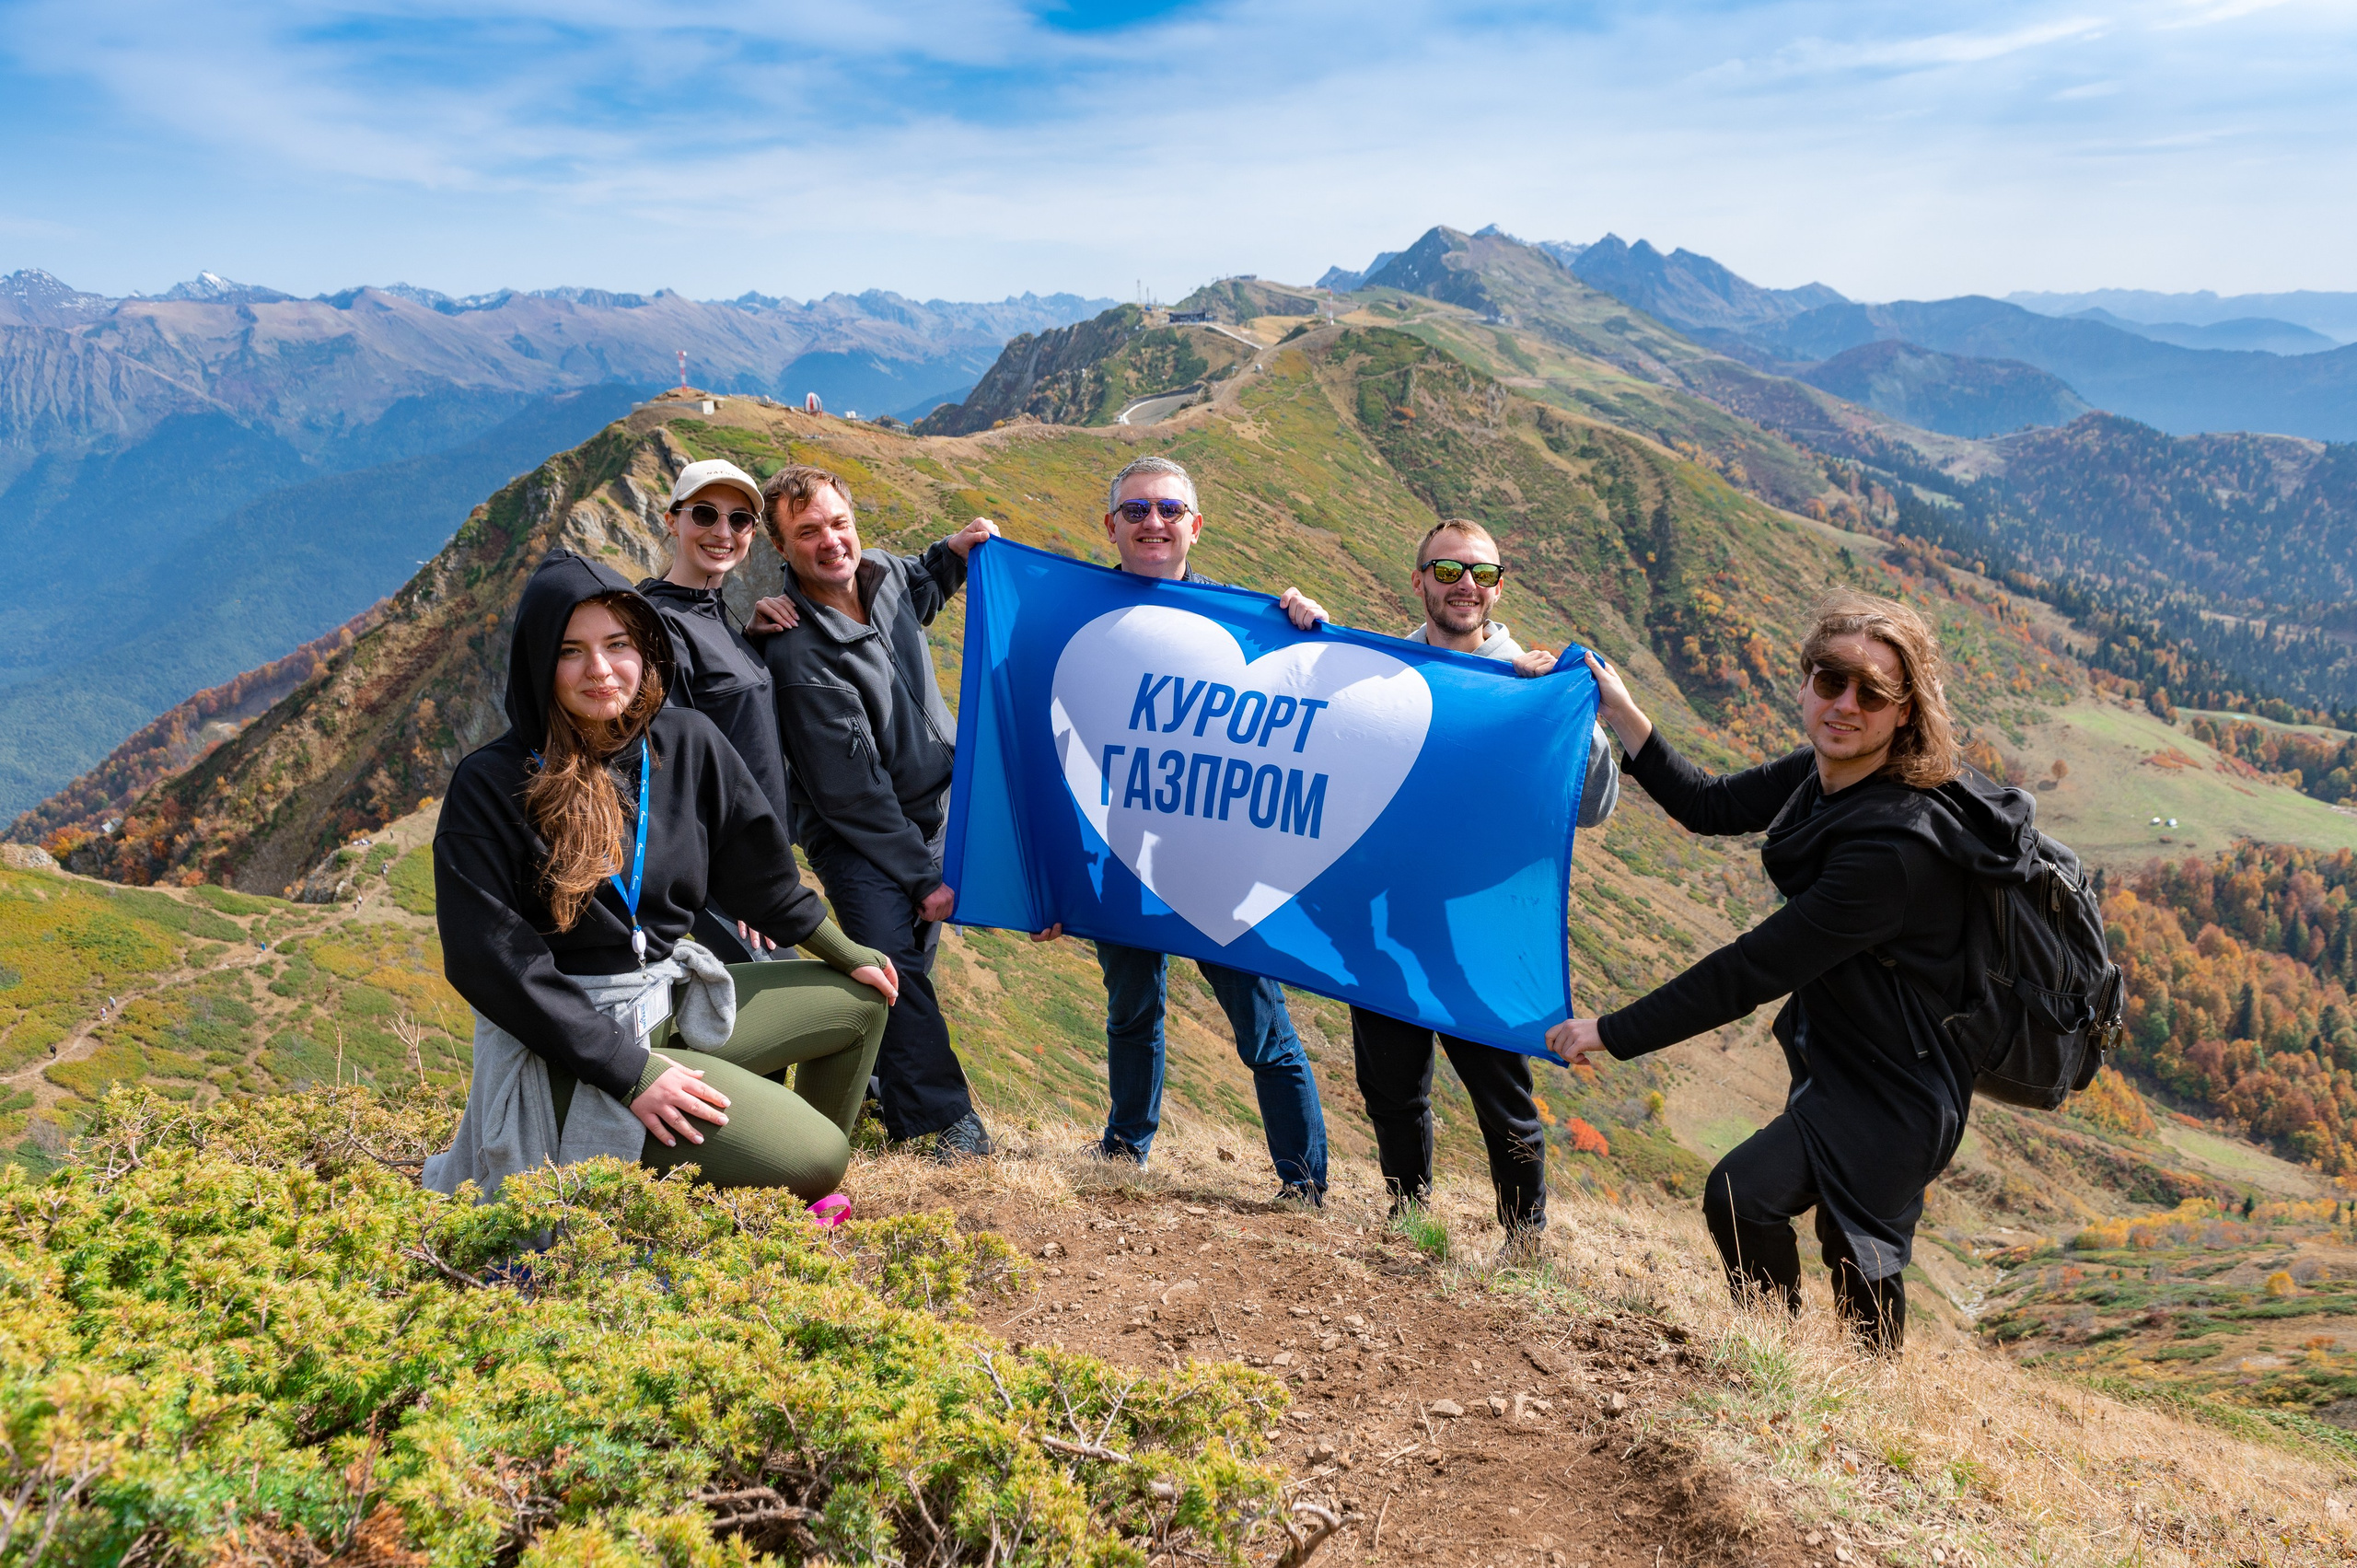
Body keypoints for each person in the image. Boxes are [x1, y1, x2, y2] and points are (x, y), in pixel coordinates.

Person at [1548, 590, 2038, 1351]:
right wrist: (1622, 710)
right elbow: (1709, 804)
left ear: (1905, 711)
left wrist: (1608, 1032)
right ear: (1805, 682)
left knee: (1843, 1248)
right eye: (1831, 678)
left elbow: (1750, 970)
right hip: (1848, 1057)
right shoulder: (1828, 772)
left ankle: (1842, 1388)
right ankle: (1779, 1361)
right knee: (1768, 1209)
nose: (1847, 703)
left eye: (1873, 691)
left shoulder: (1896, 849)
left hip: (1902, 1087)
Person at [426, 551, 899, 1201]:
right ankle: (791, 1169)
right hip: (570, 1046)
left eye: (618, 643)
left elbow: (762, 877)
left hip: (667, 1000)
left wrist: (849, 954)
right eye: (571, 650)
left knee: (863, 1001)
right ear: (539, 662)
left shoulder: (687, 741)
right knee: (821, 1153)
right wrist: (634, 1074)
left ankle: (776, 1180)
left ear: (646, 646)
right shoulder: (492, 783)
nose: (600, 670)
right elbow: (492, 962)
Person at [1031, 455, 1335, 1203]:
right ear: (1111, 525)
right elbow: (1047, 744)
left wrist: (1307, 626)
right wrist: (1051, 878)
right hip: (1119, 858)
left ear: (1195, 525)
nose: (1153, 523)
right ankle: (1125, 1147)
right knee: (1130, 1010)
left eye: (1169, 510)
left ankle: (1305, 1183)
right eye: (1135, 511)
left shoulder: (1251, 624)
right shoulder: (1075, 616)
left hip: (1219, 868)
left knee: (1262, 1029)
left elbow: (1314, 712)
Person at [1348, 517, 1620, 1259]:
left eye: (1482, 573)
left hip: (1483, 929)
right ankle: (1408, 1220)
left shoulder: (1530, 681)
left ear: (1500, 586)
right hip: (1388, 925)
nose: (1466, 585)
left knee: (1502, 1094)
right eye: (1447, 571)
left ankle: (1524, 1242)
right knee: (1392, 1090)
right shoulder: (1385, 674)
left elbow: (1592, 808)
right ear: (1419, 581)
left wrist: (1570, 715)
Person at [749, 468, 1001, 1161]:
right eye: (808, 532)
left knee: (900, 968)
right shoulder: (798, 652)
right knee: (894, 969)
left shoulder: (883, 573)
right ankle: (945, 1123)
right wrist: (923, 878)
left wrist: (952, 552)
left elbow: (917, 587)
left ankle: (865, 1085)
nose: (831, 541)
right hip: (857, 836)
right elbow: (853, 796)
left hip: (935, 810)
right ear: (782, 545)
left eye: (838, 522)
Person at [636, 458, 788, 963]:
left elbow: (727, 710)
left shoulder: (713, 608)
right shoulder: (659, 624)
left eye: (739, 519)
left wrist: (751, 643)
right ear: (672, 519)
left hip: (756, 871)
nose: (723, 531)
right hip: (721, 885)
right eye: (704, 514)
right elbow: (675, 772)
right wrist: (738, 880)